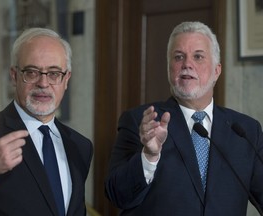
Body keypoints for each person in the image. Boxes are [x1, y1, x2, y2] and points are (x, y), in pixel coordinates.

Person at [105, 21, 263, 216]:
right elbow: (116, 195)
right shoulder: (141, 121)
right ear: (169, 68)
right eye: (179, 57)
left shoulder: (245, 130)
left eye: (198, 56)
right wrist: (148, 156)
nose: (187, 64)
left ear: (217, 70)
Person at [0, 27, 93, 216]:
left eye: (54, 73)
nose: (43, 83)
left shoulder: (80, 146)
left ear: (66, 79)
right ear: (14, 76)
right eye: (31, 72)